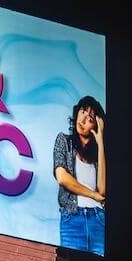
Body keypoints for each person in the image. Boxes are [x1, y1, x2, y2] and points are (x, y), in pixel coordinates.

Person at [52, 96, 107, 253]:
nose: (82, 119)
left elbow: (102, 191)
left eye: (89, 118)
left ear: (95, 126)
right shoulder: (64, 141)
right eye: (82, 112)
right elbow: (62, 177)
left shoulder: (98, 155)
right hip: (72, 219)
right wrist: (92, 194)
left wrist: (101, 142)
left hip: (99, 219)